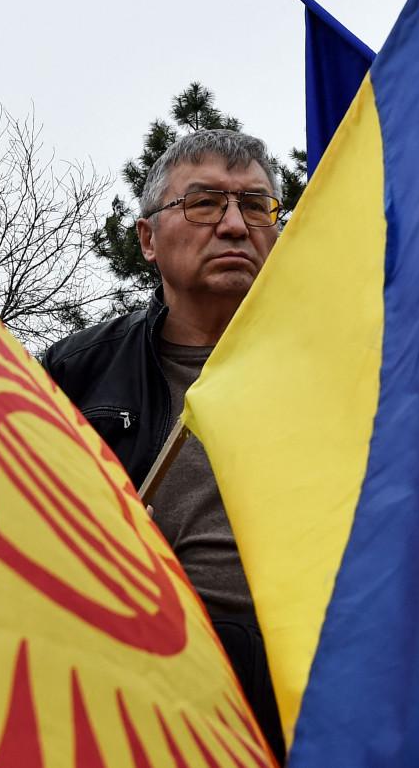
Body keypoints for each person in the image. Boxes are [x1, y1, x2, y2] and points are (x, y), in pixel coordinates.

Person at [41, 129, 286, 758]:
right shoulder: (77, 372)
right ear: (147, 239)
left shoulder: (346, 365)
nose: (235, 226)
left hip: (312, 675)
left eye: (256, 205)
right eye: (203, 203)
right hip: (133, 676)